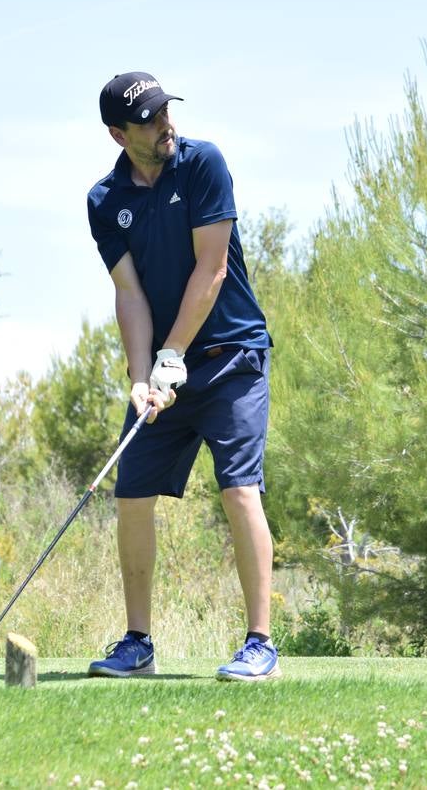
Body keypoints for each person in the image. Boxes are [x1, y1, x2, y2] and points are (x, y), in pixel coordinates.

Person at [84, 71, 279, 682]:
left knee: (238, 488)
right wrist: (142, 376)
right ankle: (137, 641)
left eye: (167, 111)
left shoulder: (203, 164)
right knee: (132, 493)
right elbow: (130, 294)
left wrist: (173, 354)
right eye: (149, 120)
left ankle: (260, 643)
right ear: (119, 134)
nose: (165, 124)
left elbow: (212, 269)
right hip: (166, 371)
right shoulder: (104, 201)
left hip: (231, 359)